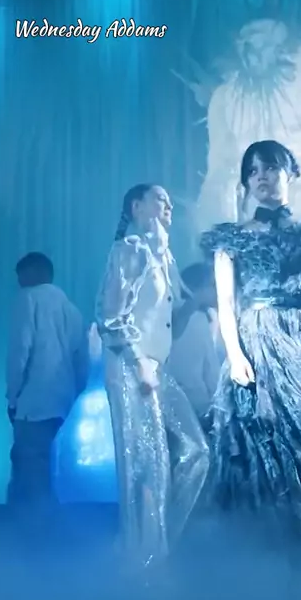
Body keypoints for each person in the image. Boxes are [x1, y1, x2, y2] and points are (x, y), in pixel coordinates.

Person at [200, 140, 301, 564]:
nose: (262, 177)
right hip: (258, 343)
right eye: (253, 171)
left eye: (271, 168)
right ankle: (285, 554)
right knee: (269, 442)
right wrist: (235, 354)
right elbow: (225, 305)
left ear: (289, 174)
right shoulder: (232, 239)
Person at [96, 184, 209, 572]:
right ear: (137, 206)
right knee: (147, 466)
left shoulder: (165, 257)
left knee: (196, 452)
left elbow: (170, 326)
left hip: (156, 368)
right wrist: (139, 360)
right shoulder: (130, 249)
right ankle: (142, 562)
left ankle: (153, 547)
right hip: (130, 367)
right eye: (161, 199)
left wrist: (193, 305)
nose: (169, 206)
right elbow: (110, 316)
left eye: (170, 202)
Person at [6, 252, 89, 517]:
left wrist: (12, 396)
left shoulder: (28, 298)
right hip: (62, 401)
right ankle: (49, 527)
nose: (19, 282)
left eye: (20, 275)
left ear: (32, 272)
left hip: (33, 400)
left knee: (29, 467)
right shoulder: (72, 310)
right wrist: (74, 394)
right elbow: (82, 360)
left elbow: (20, 351)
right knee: (47, 465)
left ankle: (30, 528)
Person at [168, 263, 222, 423]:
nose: (218, 291)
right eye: (213, 285)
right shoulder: (196, 320)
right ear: (198, 288)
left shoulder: (199, 317)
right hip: (197, 408)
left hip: (177, 408)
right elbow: (211, 373)